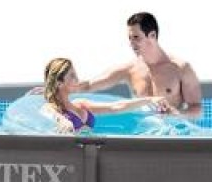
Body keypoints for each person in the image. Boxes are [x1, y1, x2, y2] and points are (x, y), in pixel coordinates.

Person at [33, 13, 203, 119]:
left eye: (136, 37)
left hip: (171, 134)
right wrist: (53, 87)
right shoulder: (129, 69)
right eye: (129, 38)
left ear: (152, 35)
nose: (131, 43)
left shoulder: (181, 69)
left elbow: (197, 110)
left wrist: (176, 115)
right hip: (143, 133)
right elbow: (90, 85)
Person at [42, 57, 170, 133]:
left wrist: (150, 100)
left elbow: (115, 107)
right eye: (72, 76)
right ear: (59, 83)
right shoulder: (51, 108)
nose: (78, 79)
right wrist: (62, 120)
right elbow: (53, 115)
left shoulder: (81, 104)